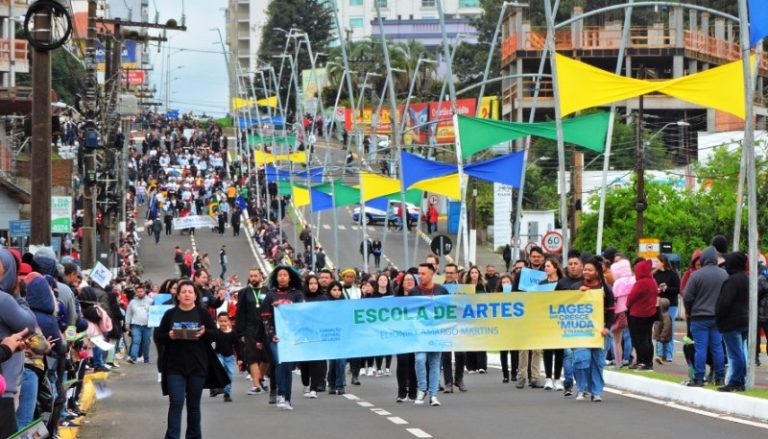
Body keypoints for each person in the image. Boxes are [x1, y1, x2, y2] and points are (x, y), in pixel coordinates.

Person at [154, 279, 228, 439]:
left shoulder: (203, 313)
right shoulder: (170, 314)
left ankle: (194, 436)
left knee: (193, 405)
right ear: (178, 296)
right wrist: (170, 335)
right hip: (174, 366)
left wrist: (204, 333)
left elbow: (215, 334)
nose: (187, 294)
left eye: (190, 292)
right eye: (183, 292)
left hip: (197, 365)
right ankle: (172, 436)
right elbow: (158, 336)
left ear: (195, 296)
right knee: (176, 402)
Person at [260, 265, 305, 410]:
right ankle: (280, 393)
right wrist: (271, 335)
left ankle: (287, 399)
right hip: (275, 337)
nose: (282, 277)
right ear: (276, 278)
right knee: (279, 362)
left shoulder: (297, 294)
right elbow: (265, 317)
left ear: (290, 277)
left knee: (287, 366)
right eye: (280, 275)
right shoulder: (270, 295)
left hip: (290, 336)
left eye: (285, 275)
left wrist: (288, 305)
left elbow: (301, 313)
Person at [682, 246, 728, 387]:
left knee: (700, 348)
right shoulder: (724, 274)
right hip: (717, 317)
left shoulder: (696, 275)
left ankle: (699, 377)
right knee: (717, 347)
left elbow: (687, 296)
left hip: (699, 316)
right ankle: (719, 377)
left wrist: (691, 311)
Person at [572, 258, 615, 402]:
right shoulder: (576, 287)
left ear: (597, 272)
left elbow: (611, 310)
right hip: (581, 331)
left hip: (600, 331)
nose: (586, 272)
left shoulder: (605, 289)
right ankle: (580, 389)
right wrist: (578, 294)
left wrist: (607, 327)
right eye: (585, 269)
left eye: (590, 270)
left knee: (597, 362)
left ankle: (595, 391)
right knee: (581, 359)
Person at [410, 263, 449, 406]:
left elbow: (448, 311)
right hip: (420, 333)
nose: (420, 276)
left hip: (436, 333)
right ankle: (422, 388)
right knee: (420, 359)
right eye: (419, 273)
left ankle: (433, 395)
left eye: (423, 273)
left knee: (435, 363)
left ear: (432, 274)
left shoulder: (441, 290)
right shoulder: (414, 291)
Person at [715, 252, 749, 392]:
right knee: (739, 352)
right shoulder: (745, 279)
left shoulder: (732, 281)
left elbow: (725, 302)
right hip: (743, 320)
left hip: (731, 321)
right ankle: (740, 380)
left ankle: (735, 381)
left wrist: (719, 316)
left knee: (734, 354)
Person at [235, 268, 271, 397]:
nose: (253, 278)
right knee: (253, 357)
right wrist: (240, 332)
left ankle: (260, 379)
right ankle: (256, 385)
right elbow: (240, 313)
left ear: (261, 277)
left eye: (256, 275)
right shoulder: (244, 292)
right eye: (251, 276)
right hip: (250, 328)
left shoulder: (268, 291)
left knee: (266, 357)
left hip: (266, 328)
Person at [626, 259, 658, 371]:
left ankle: (643, 361)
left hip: (638, 314)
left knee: (639, 340)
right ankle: (647, 361)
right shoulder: (652, 281)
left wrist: (627, 305)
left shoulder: (641, 283)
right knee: (647, 339)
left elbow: (631, 298)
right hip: (650, 314)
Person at [300, 275, 327, 398]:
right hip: (304, 334)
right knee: (305, 362)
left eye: (315, 283)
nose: (313, 286)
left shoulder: (323, 298)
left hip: (318, 334)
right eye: (311, 283)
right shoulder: (301, 298)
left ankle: (314, 388)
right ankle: (306, 384)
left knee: (316, 361)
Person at [540, 257, 565, 390]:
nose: (546, 268)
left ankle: (557, 378)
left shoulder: (563, 283)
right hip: (546, 320)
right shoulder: (541, 284)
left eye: (548, 266)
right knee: (547, 349)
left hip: (559, 319)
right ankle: (548, 378)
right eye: (545, 266)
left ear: (555, 268)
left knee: (559, 350)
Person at [395, 271, 418, 402]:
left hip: (416, 335)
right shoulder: (396, 300)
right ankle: (402, 392)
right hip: (401, 335)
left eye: (411, 280)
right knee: (402, 362)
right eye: (406, 279)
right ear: (402, 283)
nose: (409, 282)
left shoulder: (419, 298)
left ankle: (413, 391)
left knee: (414, 363)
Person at [653, 254, 681, 363]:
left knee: (669, 327)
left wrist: (667, 289)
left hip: (671, 304)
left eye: (657, 262)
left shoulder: (672, 274)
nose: (655, 264)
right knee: (658, 327)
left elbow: (678, 289)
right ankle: (660, 354)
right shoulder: (654, 275)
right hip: (658, 304)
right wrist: (657, 290)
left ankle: (669, 354)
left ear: (663, 262)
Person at [610, 259, 633, 368]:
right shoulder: (633, 280)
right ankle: (627, 359)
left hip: (619, 312)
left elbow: (614, 299)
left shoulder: (617, 283)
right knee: (630, 337)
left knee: (617, 341)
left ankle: (618, 362)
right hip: (632, 312)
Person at [326, 281, 348, 395]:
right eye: (334, 290)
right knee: (333, 362)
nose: (337, 292)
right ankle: (331, 383)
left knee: (341, 361)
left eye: (339, 290)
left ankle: (340, 385)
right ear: (330, 291)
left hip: (343, 336)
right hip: (331, 336)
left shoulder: (345, 304)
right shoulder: (325, 304)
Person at [125, 284, 153, 364]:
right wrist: (127, 323)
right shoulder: (132, 302)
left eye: (141, 291)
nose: (140, 293)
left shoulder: (150, 301)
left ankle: (146, 359)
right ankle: (133, 358)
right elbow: (129, 313)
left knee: (146, 342)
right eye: (138, 292)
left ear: (144, 292)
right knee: (136, 341)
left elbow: (154, 312)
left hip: (147, 325)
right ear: (136, 293)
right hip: (136, 325)